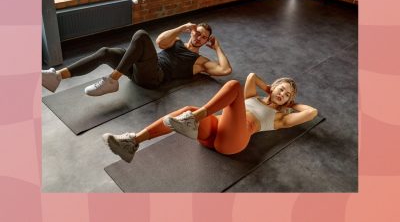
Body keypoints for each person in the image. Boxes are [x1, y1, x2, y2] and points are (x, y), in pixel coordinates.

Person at [102, 73, 318, 162]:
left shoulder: (281, 118)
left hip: (233, 141)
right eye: (281, 89)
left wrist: (291, 104)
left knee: (233, 86)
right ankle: (132, 142)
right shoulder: (254, 97)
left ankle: (193, 119)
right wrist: (268, 88)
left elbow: (312, 112)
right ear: (273, 87)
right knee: (188, 107)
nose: (282, 94)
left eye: (287, 94)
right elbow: (252, 77)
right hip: (212, 132)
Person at [42, 22, 232, 96]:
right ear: (193, 32)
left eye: (203, 37)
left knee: (141, 35)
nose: (199, 38)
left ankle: (112, 80)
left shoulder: (200, 62)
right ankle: (57, 76)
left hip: (154, 77)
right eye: (197, 33)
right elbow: (160, 41)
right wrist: (182, 27)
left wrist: (217, 47)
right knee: (106, 52)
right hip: (140, 69)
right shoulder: (177, 41)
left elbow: (225, 70)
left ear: (207, 40)